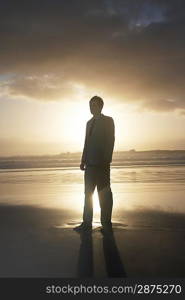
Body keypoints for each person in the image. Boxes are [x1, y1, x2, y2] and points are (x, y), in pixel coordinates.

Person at [74, 96, 115, 233]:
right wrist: (83, 160)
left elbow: (111, 141)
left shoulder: (108, 121)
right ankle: (87, 223)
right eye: (90, 105)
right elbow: (86, 143)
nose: (92, 107)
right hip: (90, 166)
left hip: (102, 165)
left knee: (104, 195)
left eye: (94, 105)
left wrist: (107, 159)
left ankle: (106, 224)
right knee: (88, 195)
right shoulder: (88, 123)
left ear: (101, 106)